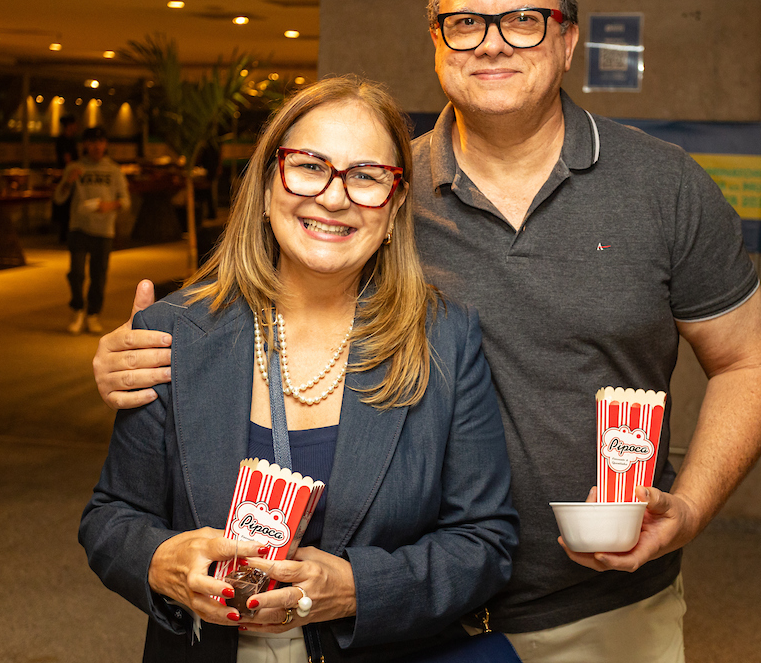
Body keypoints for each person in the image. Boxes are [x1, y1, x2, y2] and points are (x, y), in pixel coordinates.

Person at [93, 0, 761, 662]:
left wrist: (687, 508)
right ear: (436, 40)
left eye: (522, 20)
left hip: (599, 605)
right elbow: (238, 312)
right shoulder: (374, 186)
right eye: (464, 22)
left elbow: (749, 360)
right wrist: (130, 357)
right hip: (411, 625)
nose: (490, 40)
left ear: (567, 39)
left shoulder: (664, 188)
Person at [78, 75, 518, 662]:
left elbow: (485, 542)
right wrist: (162, 564)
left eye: (365, 177)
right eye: (309, 166)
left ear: (394, 207)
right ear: (266, 186)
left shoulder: (445, 339)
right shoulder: (173, 334)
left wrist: (357, 590)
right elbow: (111, 517)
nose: (334, 197)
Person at [52, 126, 129, 335]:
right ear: (85, 145)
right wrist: (68, 181)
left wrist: (109, 206)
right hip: (78, 227)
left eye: (101, 142)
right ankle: (77, 309)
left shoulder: (113, 170)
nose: (97, 146)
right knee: (76, 272)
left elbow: (125, 200)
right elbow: (59, 198)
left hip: (104, 231)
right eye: (92, 142)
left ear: (106, 145)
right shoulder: (75, 167)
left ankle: (93, 313)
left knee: (99, 275)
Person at [53, 115, 81, 243]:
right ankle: (64, 235)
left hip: (70, 173)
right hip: (66, 175)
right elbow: (67, 158)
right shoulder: (63, 140)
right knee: (65, 204)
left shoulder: (71, 140)